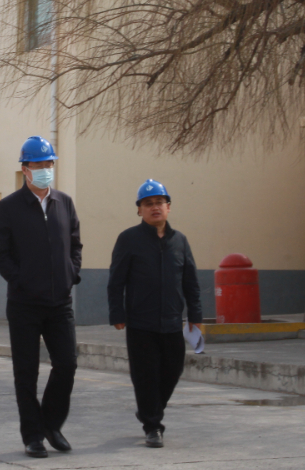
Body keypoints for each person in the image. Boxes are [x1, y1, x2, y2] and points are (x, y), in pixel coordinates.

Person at [0, 136, 82, 458]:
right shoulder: (8, 207)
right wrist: (21, 281)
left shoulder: (64, 203)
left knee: (67, 364)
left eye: (49, 163)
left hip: (60, 303)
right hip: (24, 304)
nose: (45, 169)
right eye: (39, 164)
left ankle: (51, 424)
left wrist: (71, 273)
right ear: (25, 169)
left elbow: (75, 244)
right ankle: (32, 436)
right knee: (26, 373)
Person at [107, 179, 202, 448]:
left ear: (168, 207)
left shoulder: (180, 241)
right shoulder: (128, 239)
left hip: (172, 322)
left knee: (172, 371)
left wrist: (195, 315)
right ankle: (153, 426)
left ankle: (150, 410)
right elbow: (116, 281)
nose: (155, 207)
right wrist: (117, 313)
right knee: (145, 376)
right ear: (140, 210)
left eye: (159, 202)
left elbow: (191, 281)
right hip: (140, 322)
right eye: (148, 203)